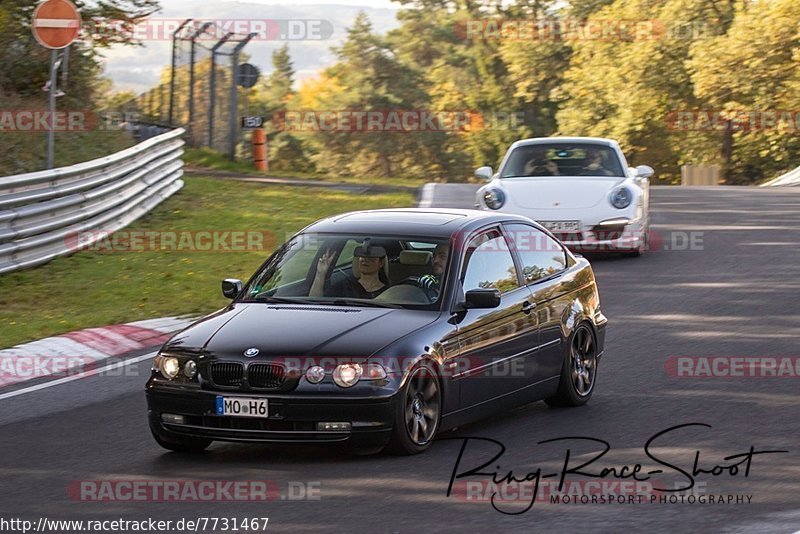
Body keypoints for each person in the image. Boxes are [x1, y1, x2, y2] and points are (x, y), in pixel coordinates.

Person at [309, 241, 390, 299]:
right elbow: (315, 302)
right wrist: (320, 274)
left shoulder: (389, 293)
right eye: (362, 256)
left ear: (381, 263)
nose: (365, 260)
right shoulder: (343, 287)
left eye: (371, 257)